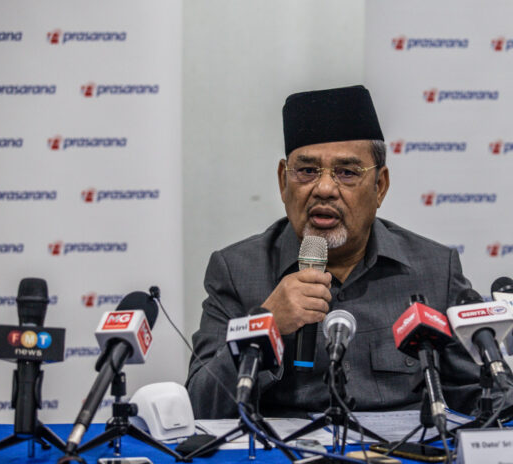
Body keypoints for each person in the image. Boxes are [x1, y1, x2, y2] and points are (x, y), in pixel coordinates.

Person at [186, 85, 484, 419]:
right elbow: (201, 406)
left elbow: (484, 396)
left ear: (380, 186)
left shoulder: (434, 269)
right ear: (283, 181)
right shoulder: (237, 271)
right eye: (307, 171)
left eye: (347, 173)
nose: (325, 188)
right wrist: (266, 325)